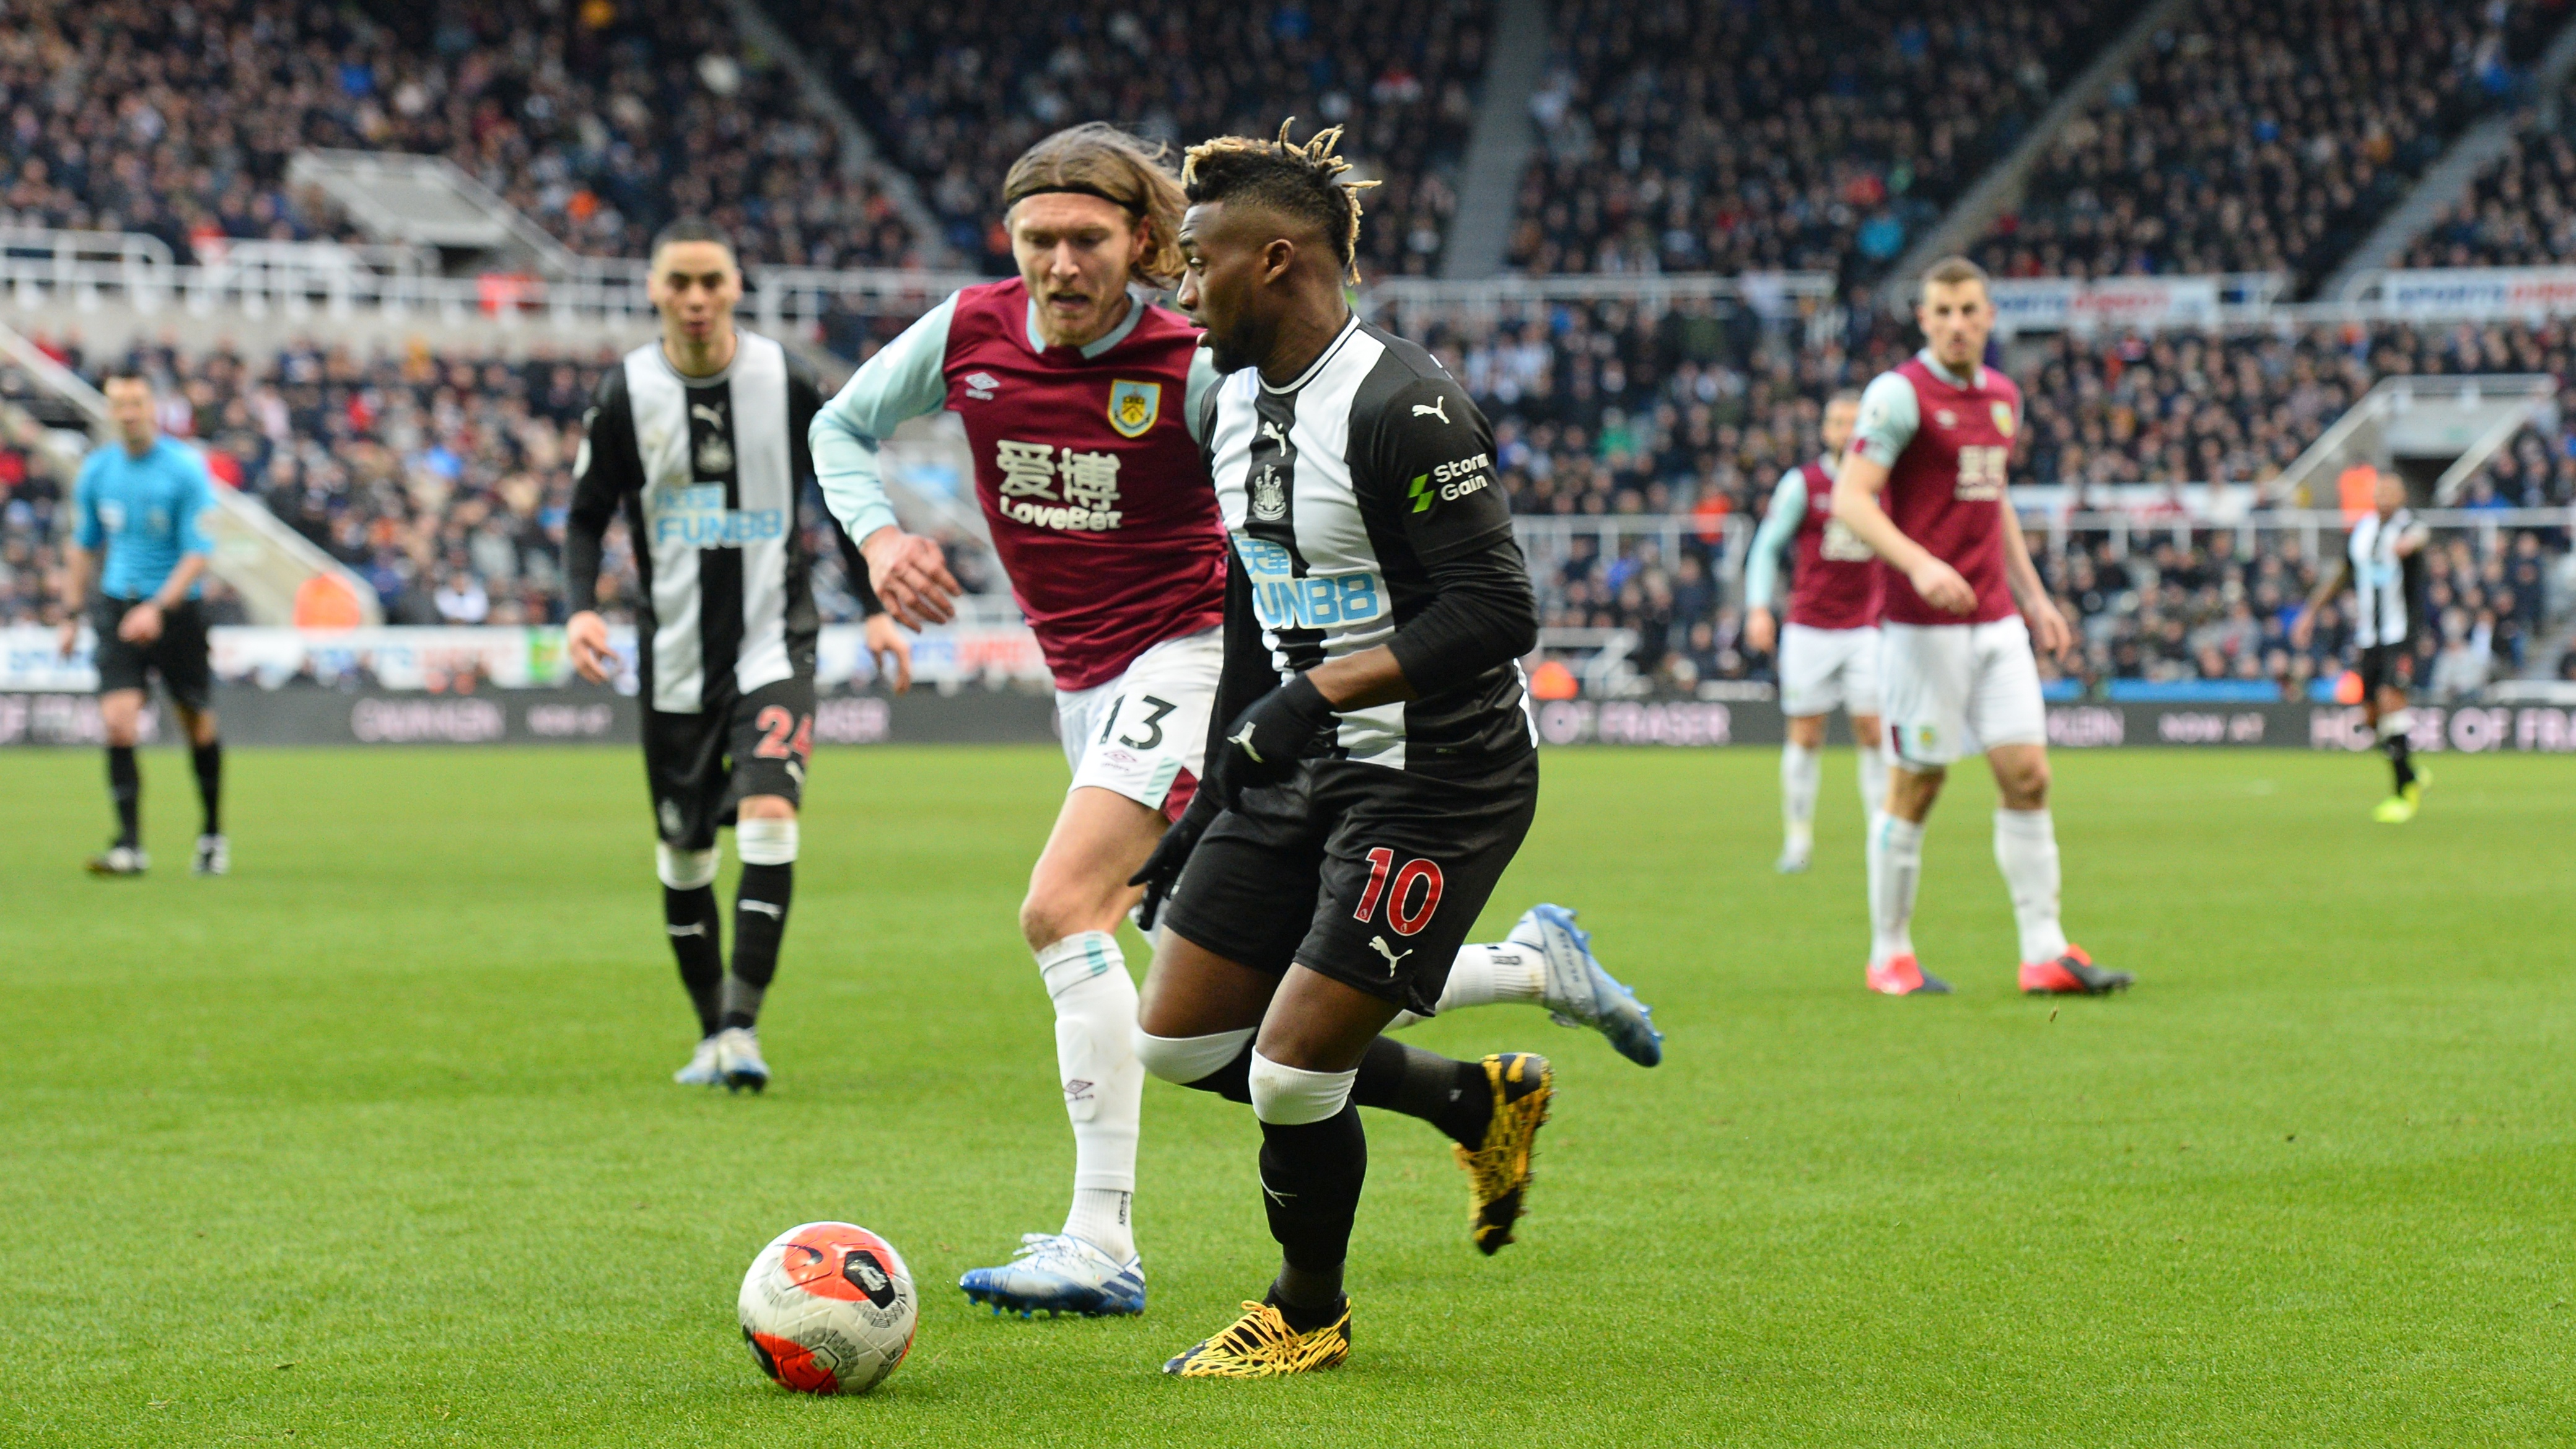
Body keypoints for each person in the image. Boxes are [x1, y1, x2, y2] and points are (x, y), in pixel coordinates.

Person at [812, 122, 1658, 1324]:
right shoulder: (967, 332)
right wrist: (881, 535)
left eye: (1087, 239)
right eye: (1036, 239)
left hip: (1203, 660)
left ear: (1145, 243)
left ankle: (1105, 1234)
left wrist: (1288, 696)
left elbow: (1308, 542)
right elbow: (837, 427)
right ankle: (1498, 1040)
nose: (1058, 263)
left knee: (1064, 912)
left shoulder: (1205, 362)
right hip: (1088, 681)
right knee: (1206, 1005)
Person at [1126, 122, 1564, 1378]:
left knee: (1288, 1072)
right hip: (1302, 759)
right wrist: (1207, 807)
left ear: (1274, 261)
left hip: (1440, 776)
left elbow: (1496, 611)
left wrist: (1317, 699)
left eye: (1196, 260)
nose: (1180, 284)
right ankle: (1473, 1096)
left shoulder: (1402, 401)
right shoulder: (1222, 398)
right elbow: (1250, 610)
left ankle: (1305, 1310)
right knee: (1179, 1040)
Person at [563, 218, 911, 1094]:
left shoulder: (783, 378)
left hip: (773, 641)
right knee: (683, 854)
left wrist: (872, 606)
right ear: (652, 289)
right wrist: (579, 611)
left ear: (735, 288)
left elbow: (838, 488)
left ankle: (744, 1028)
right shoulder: (625, 392)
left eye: (710, 282)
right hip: (674, 654)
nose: (694, 299)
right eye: (678, 281)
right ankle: (712, 1029)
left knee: (769, 818)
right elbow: (582, 513)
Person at [1829, 256, 2130, 999]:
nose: (1958, 323)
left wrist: (2035, 596)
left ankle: (2045, 951)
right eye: (1943, 311)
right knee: (1919, 786)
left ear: (1990, 316)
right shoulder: (1898, 394)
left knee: (2028, 774)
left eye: (1970, 310)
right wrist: (1919, 563)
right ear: (1925, 320)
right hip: (1921, 626)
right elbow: (1852, 499)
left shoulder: (2002, 396)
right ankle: (1889, 954)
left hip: (1995, 619)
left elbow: (1991, 500)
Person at [57, 368, 227, 877]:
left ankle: (212, 833)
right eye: (119, 404)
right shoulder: (97, 471)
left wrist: (159, 608)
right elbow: (83, 545)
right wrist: (70, 615)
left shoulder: (185, 468)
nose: (128, 412)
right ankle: (130, 846)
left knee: (196, 722)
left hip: (177, 612)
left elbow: (199, 551)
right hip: (116, 606)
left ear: (153, 405)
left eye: (136, 402)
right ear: (109, 410)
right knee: (118, 720)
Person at [1741, 389, 1886, 873]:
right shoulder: (1803, 483)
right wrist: (1760, 607)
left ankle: (1880, 837)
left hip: (1868, 627)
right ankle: (1798, 840)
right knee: (1806, 732)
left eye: (1856, 421)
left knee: (1872, 728)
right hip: (1810, 628)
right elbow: (1766, 547)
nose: (1848, 430)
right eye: (1839, 422)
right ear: (1827, 431)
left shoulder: (1886, 482)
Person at [2292, 469, 2430, 822]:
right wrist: (2309, 614)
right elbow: (2341, 575)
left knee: (2389, 700)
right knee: (2369, 718)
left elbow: (2420, 534)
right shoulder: (2363, 532)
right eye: (2380, 490)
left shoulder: (2407, 524)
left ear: (2401, 496)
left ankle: (2403, 794)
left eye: (2391, 490)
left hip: (2401, 634)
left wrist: (2409, 544)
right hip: (2369, 636)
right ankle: (2411, 770)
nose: (2385, 496)